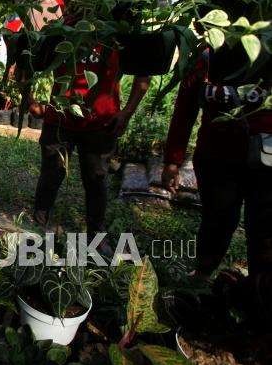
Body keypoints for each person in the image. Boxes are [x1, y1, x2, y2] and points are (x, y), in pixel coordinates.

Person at [162, 51, 272, 290]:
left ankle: (260, 288)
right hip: (216, 160)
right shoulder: (206, 60)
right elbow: (185, 109)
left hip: (265, 165)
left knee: (264, 229)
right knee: (216, 220)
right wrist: (173, 160)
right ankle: (202, 273)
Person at [28, 45, 151, 243]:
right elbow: (26, 55)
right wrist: (29, 99)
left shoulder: (119, 32)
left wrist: (126, 113)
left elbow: (144, 74)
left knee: (97, 179)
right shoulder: (63, 28)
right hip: (59, 119)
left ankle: (96, 235)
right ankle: (38, 223)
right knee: (51, 172)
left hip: (100, 123)